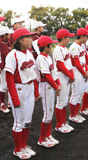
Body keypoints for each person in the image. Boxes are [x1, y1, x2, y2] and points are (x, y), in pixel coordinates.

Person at [5, 28, 39, 159]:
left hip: (30, 87)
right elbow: (9, 79)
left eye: (31, 37)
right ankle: (17, 149)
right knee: (19, 122)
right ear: (20, 40)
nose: (31, 40)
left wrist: (35, 90)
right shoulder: (12, 55)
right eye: (28, 37)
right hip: (19, 89)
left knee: (28, 121)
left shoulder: (30, 53)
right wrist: (14, 98)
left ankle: (24, 145)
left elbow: (33, 75)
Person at [36, 36, 60, 147]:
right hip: (45, 86)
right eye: (51, 45)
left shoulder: (48, 57)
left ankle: (48, 135)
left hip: (50, 86)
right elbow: (47, 76)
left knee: (50, 112)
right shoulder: (40, 58)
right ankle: (42, 139)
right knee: (47, 114)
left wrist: (58, 84)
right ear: (46, 47)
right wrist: (56, 87)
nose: (52, 46)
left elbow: (53, 73)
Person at [52, 29, 75, 133]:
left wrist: (71, 75)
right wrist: (70, 75)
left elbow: (69, 65)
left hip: (66, 76)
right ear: (63, 38)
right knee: (60, 101)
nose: (69, 39)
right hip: (61, 76)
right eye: (67, 37)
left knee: (65, 100)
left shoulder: (65, 48)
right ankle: (59, 125)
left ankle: (63, 122)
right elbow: (60, 66)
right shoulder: (57, 49)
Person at [68, 28, 88, 123]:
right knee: (75, 94)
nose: (87, 39)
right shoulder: (74, 46)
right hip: (76, 71)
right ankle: (72, 115)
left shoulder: (81, 46)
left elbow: (84, 61)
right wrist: (84, 73)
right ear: (82, 36)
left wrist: (86, 71)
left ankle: (76, 113)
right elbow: (77, 63)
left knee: (80, 93)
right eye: (86, 36)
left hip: (82, 71)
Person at [0, 27, 14, 113]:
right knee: (4, 85)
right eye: (8, 34)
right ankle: (1, 104)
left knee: (10, 83)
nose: (9, 35)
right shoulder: (0, 42)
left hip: (8, 65)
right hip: (3, 67)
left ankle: (9, 102)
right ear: (4, 35)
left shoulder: (6, 42)